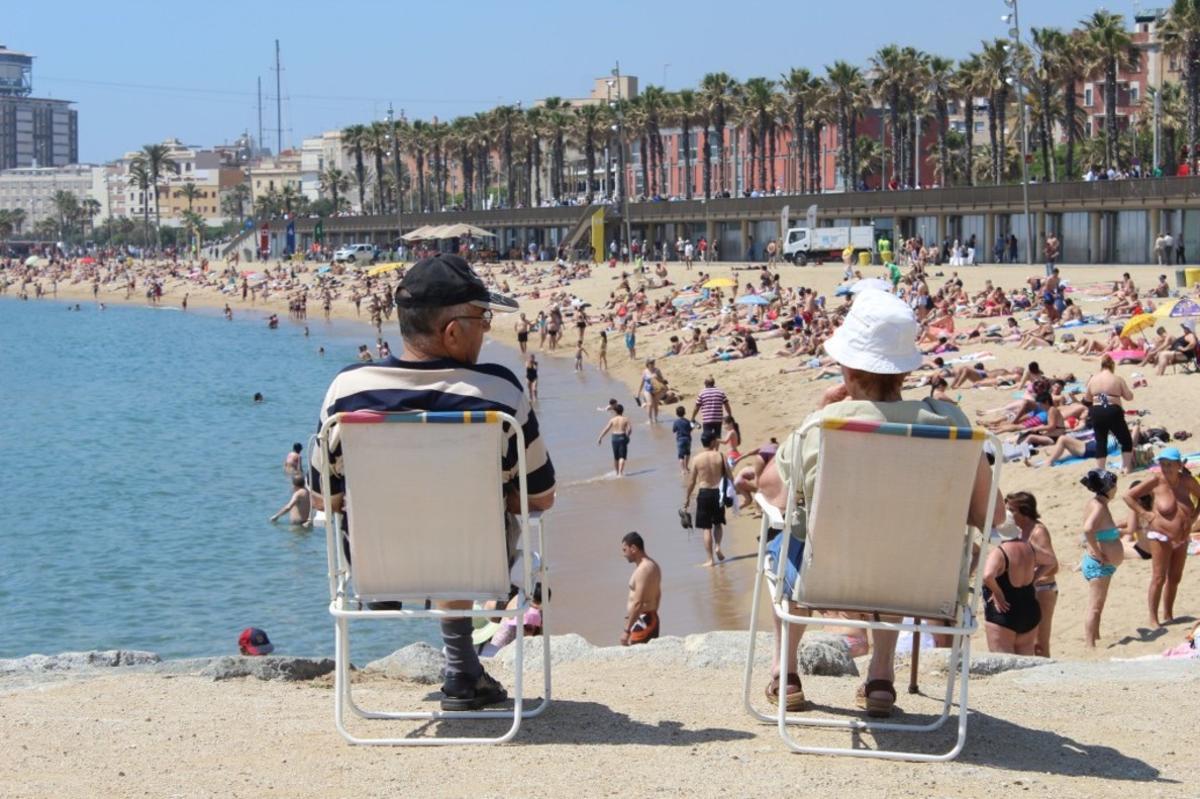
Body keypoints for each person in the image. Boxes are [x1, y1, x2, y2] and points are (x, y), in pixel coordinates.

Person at [309, 253, 556, 712]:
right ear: (453, 330)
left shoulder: (348, 391)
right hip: (481, 564)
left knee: (437, 518)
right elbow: (541, 495)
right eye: (482, 318)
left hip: (374, 567)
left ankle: (462, 666)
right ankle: (462, 666)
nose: (487, 329)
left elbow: (324, 496)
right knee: (467, 520)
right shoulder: (497, 394)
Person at [756, 289, 1003, 716]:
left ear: (847, 370)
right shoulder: (950, 425)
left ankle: (785, 670)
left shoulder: (826, 425)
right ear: (903, 372)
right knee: (900, 549)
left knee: (784, 539)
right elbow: (991, 515)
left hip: (827, 577)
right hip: (921, 582)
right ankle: (881, 675)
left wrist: (816, 414)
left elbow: (770, 491)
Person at [1123, 448, 1200, 627]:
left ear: (1179, 465)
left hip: (1182, 537)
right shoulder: (1156, 481)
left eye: (1170, 465)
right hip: (1161, 535)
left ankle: (1168, 613)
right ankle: (1153, 617)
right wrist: (1145, 513)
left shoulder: (1187, 481)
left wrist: (1194, 516)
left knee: (1175, 577)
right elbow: (1128, 496)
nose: (1166, 468)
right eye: (1163, 464)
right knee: (1159, 577)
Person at [1006, 492, 1059, 657]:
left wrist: (1032, 579)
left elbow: (1053, 565)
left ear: (1023, 511)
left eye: (1010, 510)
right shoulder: (1017, 530)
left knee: (1039, 644)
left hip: (1043, 589)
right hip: (1025, 591)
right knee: (1022, 642)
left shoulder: (1038, 531)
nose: (1007, 514)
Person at [1079, 470, 1125, 648]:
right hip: (1098, 565)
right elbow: (1088, 529)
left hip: (1103, 565)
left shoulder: (1097, 503)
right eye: (1114, 485)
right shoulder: (1098, 506)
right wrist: (1098, 554)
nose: (1116, 489)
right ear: (1109, 488)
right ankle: (1090, 645)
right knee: (1094, 606)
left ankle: (1095, 638)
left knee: (1099, 604)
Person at [982, 536, 1042, 656]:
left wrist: (997, 592)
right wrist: (1034, 578)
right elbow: (1051, 561)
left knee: (1004, 666)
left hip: (1004, 612)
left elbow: (988, 575)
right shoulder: (1029, 547)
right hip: (1029, 610)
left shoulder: (1000, 552)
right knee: (1026, 666)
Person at [684, 431, 731, 567]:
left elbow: (692, 481)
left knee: (706, 528)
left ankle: (710, 559)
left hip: (704, 493)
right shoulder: (721, 456)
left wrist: (687, 498)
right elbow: (729, 476)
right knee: (718, 523)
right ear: (712, 442)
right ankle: (718, 546)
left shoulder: (697, 459)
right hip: (718, 493)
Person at [1084, 354, 1135, 473]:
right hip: (1113, 410)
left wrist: (1101, 396)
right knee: (1125, 440)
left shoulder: (1093, 379)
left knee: (1101, 441)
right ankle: (1126, 467)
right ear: (1112, 366)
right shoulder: (1117, 379)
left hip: (1097, 411)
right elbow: (1129, 397)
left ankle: (1100, 469)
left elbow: (1087, 399)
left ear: (1101, 366)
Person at [620, 532, 662, 646]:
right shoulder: (653, 565)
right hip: (649, 618)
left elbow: (638, 603)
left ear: (633, 548)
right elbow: (658, 595)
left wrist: (626, 631)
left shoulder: (643, 570)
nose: (623, 554)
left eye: (625, 550)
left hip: (644, 621)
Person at [596, 403, 632, 476]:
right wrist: (628, 436)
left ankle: (617, 473)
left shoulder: (612, 419)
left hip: (614, 438)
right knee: (622, 457)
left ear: (615, 411)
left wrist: (600, 437)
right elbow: (630, 429)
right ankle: (620, 473)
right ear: (622, 411)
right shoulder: (625, 419)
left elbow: (606, 429)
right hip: (622, 436)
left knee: (616, 457)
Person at [673, 405, 694, 472]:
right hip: (688, 439)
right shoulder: (687, 421)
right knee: (687, 453)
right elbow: (691, 429)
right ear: (684, 413)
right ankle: (686, 467)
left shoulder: (676, 422)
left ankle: (682, 470)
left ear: (676, 414)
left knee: (681, 455)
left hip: (680, 439)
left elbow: (674, 430)